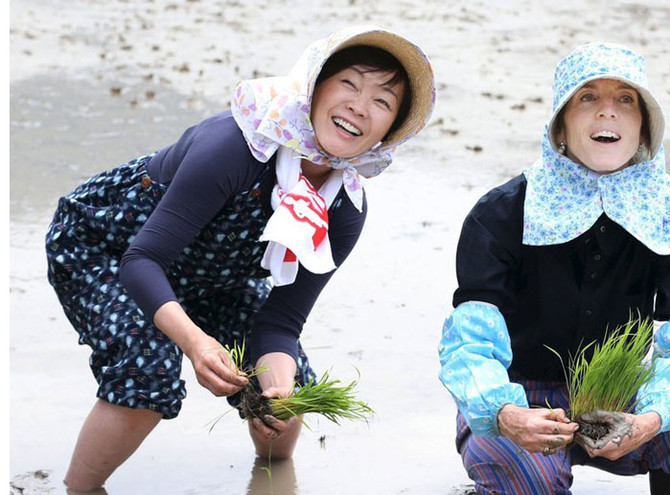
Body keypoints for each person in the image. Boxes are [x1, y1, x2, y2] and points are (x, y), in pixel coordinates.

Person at [46, 25, 435, 491]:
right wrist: (195, 343)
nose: (359, 105)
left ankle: (269, 480)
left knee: (289, 405)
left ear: (387, 133)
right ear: (312, 87)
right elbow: (142, 259)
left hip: (216, 276)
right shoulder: (235, 147)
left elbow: (282, 322)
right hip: (108, 247)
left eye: (383, 102)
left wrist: (278, 387)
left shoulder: (345, 208)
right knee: (147, 372)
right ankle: (78, 488)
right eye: (349, 84)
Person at [438, 42, 670, 494]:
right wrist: (503, 413)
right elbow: (470, 345)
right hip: (522, 398)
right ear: (560, 125)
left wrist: (650, 419)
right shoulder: (503, 213)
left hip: (620, 397)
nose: (606, 112)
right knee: (522, 473)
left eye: (625, 100)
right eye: (587, 97)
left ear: (645, 127)